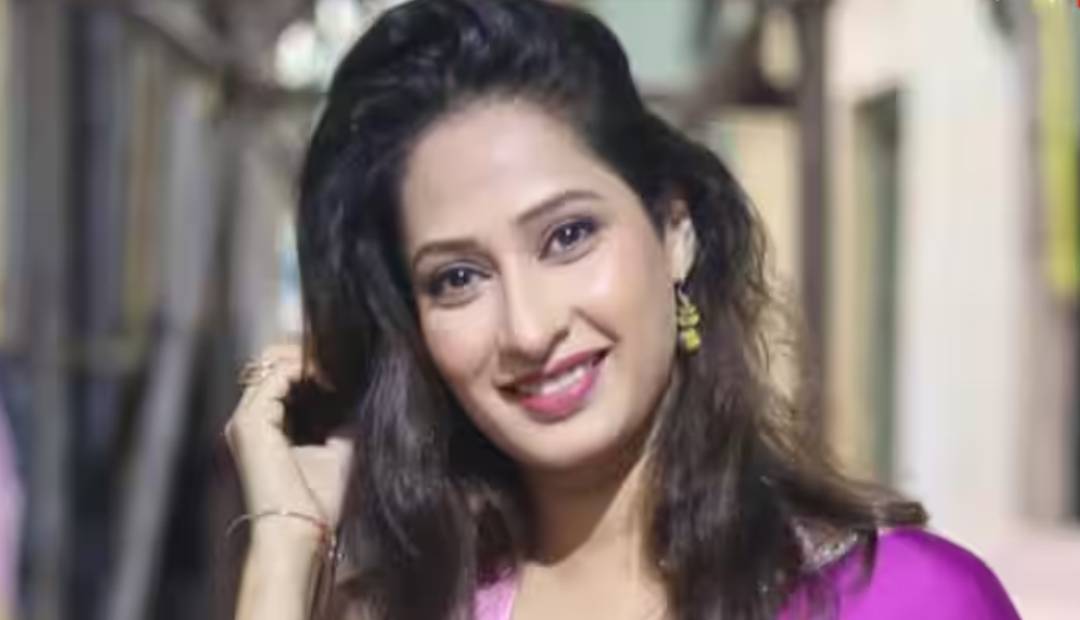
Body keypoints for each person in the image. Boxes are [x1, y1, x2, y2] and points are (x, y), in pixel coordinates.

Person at [224, 1, 1021, 618]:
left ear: (674, 232)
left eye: (568, 236)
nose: (529, 328)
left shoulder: (906, 602)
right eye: (459, 278)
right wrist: (283, 550)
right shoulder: (398, 609)